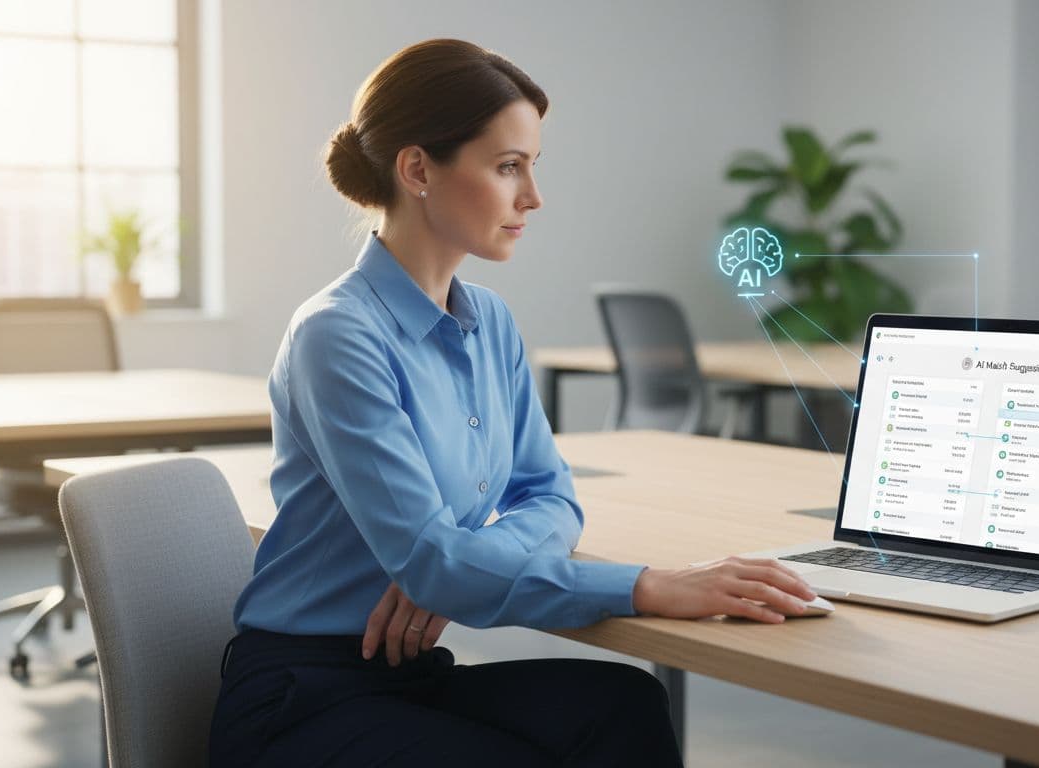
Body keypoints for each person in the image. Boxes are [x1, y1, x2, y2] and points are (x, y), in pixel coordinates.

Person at [207, 38, 816, 767]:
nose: (533, 196)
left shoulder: (489, 321)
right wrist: (648, 586)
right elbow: (436, 565)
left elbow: (550, 496)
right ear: (417, 169)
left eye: (531, 166)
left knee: (626, 705)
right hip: (301, 699)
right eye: (507, 167)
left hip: (408, 676)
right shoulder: (338, 335)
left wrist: (463, 562)